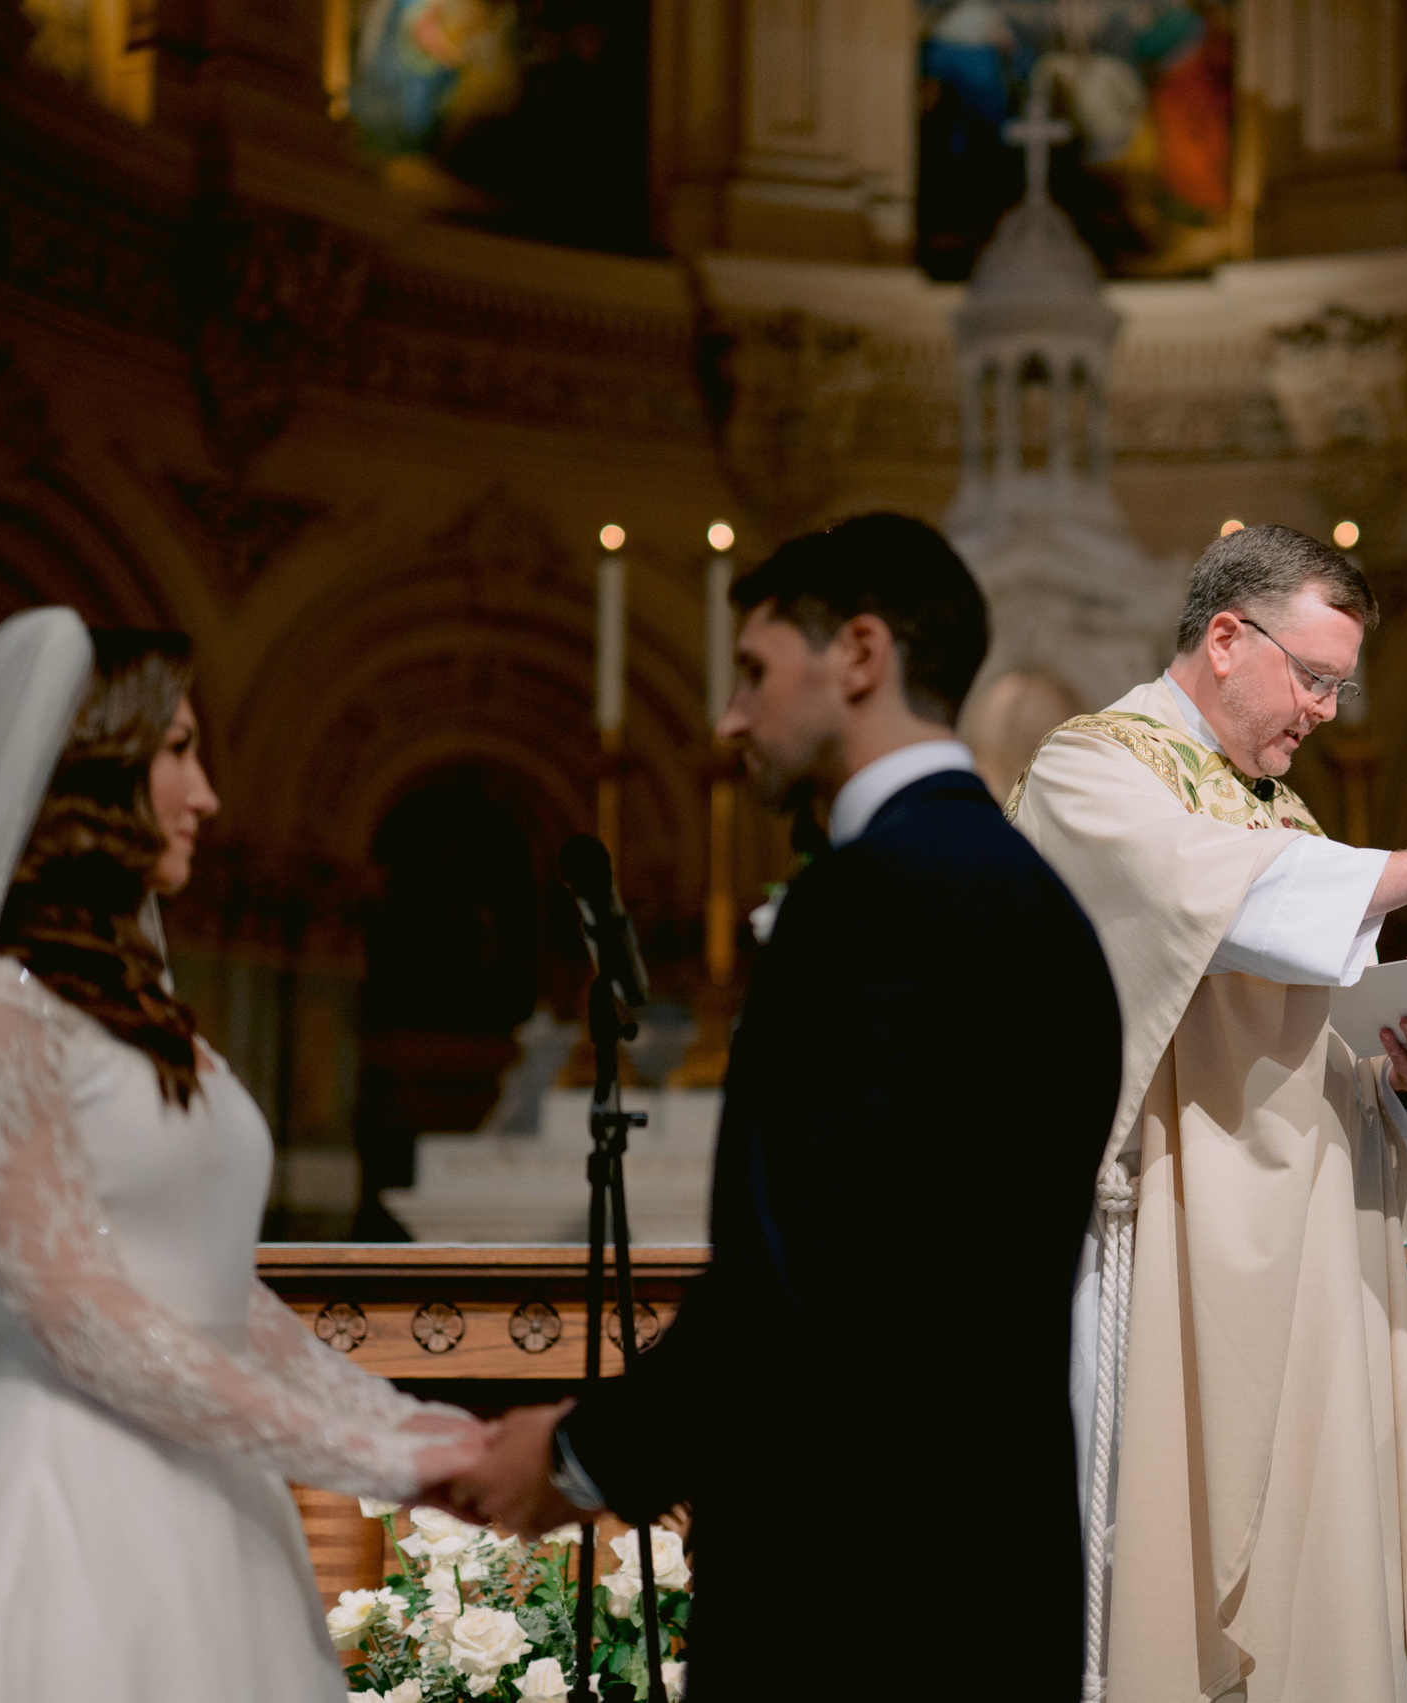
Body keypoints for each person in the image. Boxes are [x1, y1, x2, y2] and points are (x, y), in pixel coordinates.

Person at [440, 514, 1122, 1698]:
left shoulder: (861, 903)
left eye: (754, 672)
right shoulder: (1051, 914)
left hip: (845, 1591)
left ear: (858, 653)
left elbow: (795, 1278)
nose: (731, 718)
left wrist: (582, 1453)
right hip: (1006, 1578)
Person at [0, 611, 487, 1703]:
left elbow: (215, 1291)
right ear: (91, 767)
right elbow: (81, 1313)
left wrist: (417, 1423)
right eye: (176, 749)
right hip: (76, 1495)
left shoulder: (150, 1024)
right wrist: (373, 1461)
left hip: (222, 1507)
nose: (206, 793)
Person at [1004, 523, 1407, 1703]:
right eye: (1313, 676)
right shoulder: (1091, 769)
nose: (1326, 711)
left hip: (1307, 1257)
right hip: (1166, 1241)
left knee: (1310, 1569)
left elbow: (1318, 1037)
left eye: (1340, 685)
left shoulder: (1282, 816)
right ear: (1225, 638)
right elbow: (1201, 893)